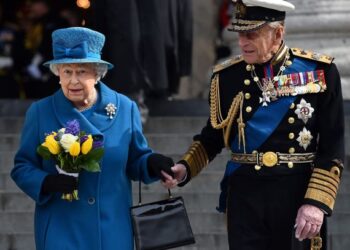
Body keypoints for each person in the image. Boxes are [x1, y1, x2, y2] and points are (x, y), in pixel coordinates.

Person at [163, 0, 345, 249]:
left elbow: (332, 146)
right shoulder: (227, 77)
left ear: (278, 33)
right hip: (245, 196)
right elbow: (213, 136)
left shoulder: (319, 71)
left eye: (251, 34)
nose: (241, 43)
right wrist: (185, 167)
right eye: (239, 34)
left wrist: (316, 202)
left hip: (296, 192)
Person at [11, 27, 174, 250]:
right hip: (61, 229)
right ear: (57, 73)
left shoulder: (125, 108)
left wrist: (152, 163)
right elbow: (22, 166)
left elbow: (136, 159)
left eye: (81, 72)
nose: (73, 81)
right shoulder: (40, 112)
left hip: (112, 229)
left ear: (98, 74)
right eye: (67, 72)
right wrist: (45, 182)